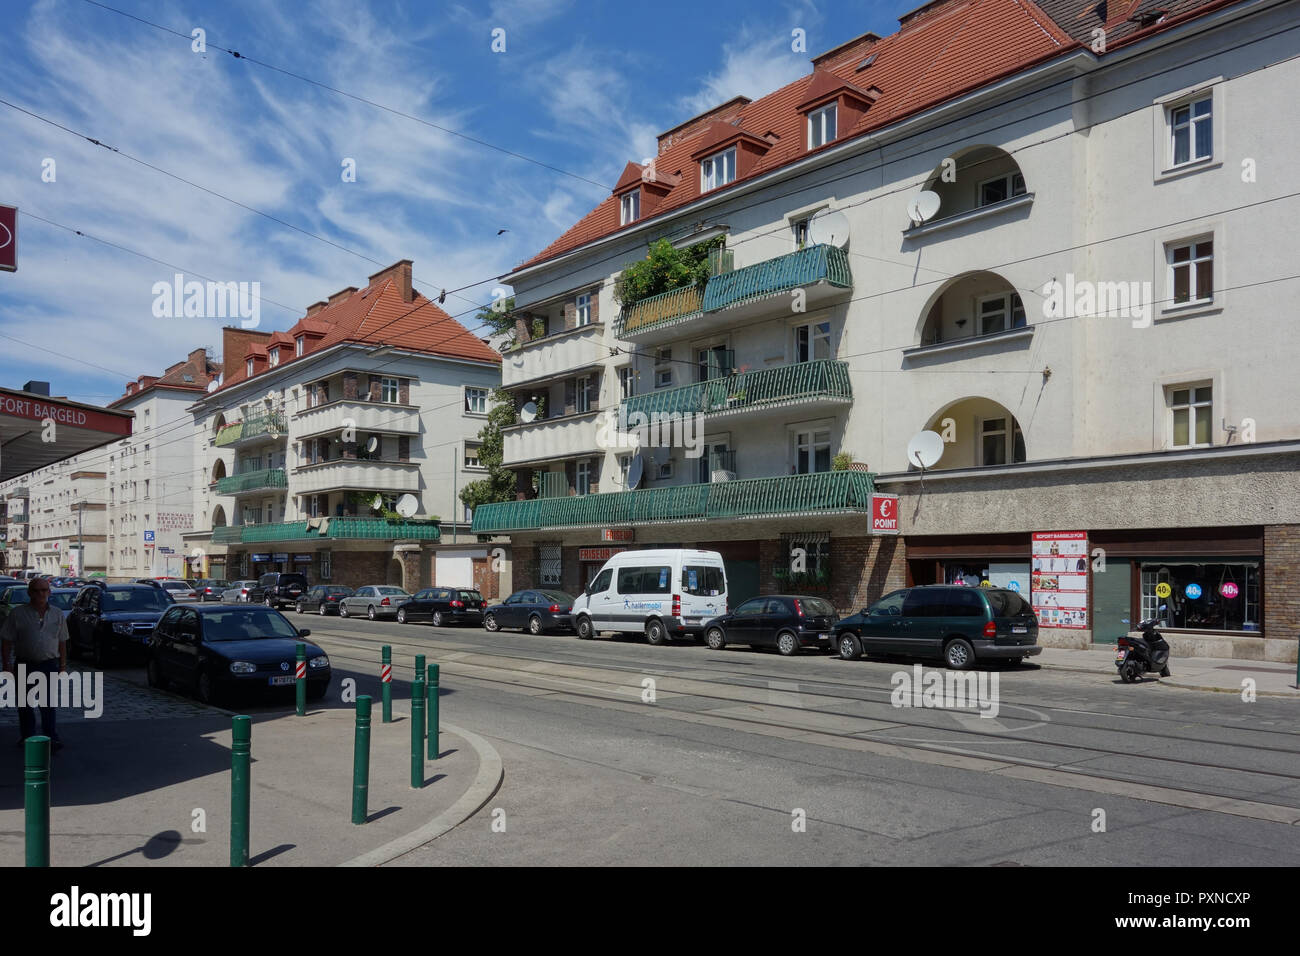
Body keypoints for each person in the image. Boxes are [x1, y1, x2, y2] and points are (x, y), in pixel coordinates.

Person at [0, 578, 69, 751]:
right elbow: (7, 641)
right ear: (30, 593)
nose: (41, 594)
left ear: (49, 592)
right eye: (37, 590)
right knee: (25, 704)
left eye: (44, 590)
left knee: (47, 704)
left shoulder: (57, 613)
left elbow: (62, 642)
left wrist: (62, 666)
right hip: (25, 663)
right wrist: (6, 665)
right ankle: (28, 736)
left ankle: (51, 737)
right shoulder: (17, 613)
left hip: (48, 664)